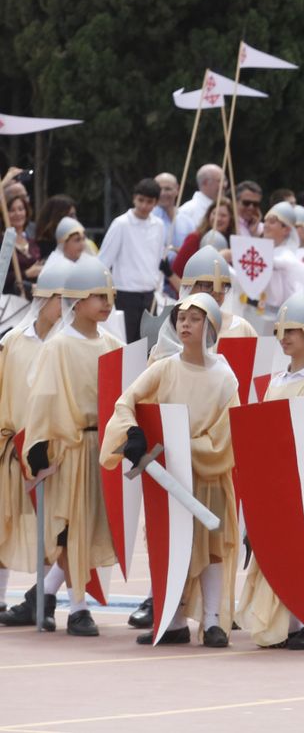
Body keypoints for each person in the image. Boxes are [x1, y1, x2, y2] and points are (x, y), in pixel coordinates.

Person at [101, 293, 240, 647]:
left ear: (209, 326)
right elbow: (126, 401)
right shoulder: (165, 367)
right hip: (170, 476)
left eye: (194, 318)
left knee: (210, 547)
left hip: (208, 473)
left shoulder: (225, 377)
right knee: (173, 545)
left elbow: (226, 433)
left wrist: (184, 448)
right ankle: (173, 619)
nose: (185, 324)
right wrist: (132, 430)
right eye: (181, 318)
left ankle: (212, 622)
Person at [21, 257, 123, 636]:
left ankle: (43, 594)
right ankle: (78, 607)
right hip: (71, 447)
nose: (106, 301)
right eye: (98, 295)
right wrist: (40, 444)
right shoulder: (58, 347)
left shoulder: (113, 344)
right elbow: (43, 398)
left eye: (108, 294)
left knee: (95, 528)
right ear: (76, 301)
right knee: (70, 529)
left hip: (104, 446)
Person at [234, 295, 304, 648]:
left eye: (292, 330)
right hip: (277, 483)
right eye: (281, 329)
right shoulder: (277, 380)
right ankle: (290, 624)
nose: (284, 336)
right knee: (279, 554)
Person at [0, 254, 70, 628]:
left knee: (59, 530)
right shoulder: (13, 341)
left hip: (56, 447)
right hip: (15, 444)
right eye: (62, 298)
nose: (68, 306)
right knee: (6, 522)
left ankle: (42, 595)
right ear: (44, 299)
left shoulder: (69, 344)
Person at [99, 178, 170, 341]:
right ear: (134, 199)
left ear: (156, 203)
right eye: (141, 200)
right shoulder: (121, 224)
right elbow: (104, 260)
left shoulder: (159, 225)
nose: (144, 206)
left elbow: (157, 258)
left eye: (150, 202)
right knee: (126, 342)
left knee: (148, 343)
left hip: (149, 293)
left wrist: (157, 289)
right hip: (125, 293)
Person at [174, 197, 234, 278]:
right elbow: (177, 271)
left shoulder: (233, 245)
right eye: (214, 213)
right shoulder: (194, 238)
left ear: (231, 219)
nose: (218, 219)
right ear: (209, 215)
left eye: (223, 215)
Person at [173, 164, 224, 245]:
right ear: (205, 182)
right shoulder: (187, 211)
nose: (224, 185)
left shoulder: (225, 208)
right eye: (219, 181)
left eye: (225, 181)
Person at [4, 191, 40, 291]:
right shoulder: (3, 242)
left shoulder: (32, 242)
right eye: (12, 210)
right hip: (10, 301)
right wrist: (26, 273)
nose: (18, 214)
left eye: (21, 209)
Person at [34, 195, 77, 264]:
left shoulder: (76, 243)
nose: (75, 220)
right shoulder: (39, 249)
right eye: (71, 216)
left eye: (74, 215)